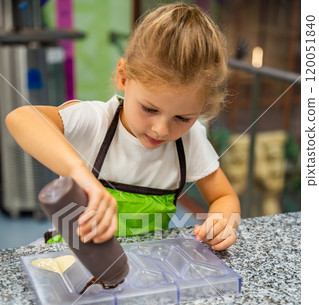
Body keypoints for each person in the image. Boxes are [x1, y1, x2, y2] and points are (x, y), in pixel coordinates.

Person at [6, 2, 240, 251]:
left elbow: (223, 197)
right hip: (73, 258)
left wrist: (221, 223)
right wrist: (81, 175)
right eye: (149, 109)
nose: (161, 129)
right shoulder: (96, 121)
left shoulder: (190, 141)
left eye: (182, 118)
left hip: (149, 265)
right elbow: (20, 118)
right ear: (123, 76)